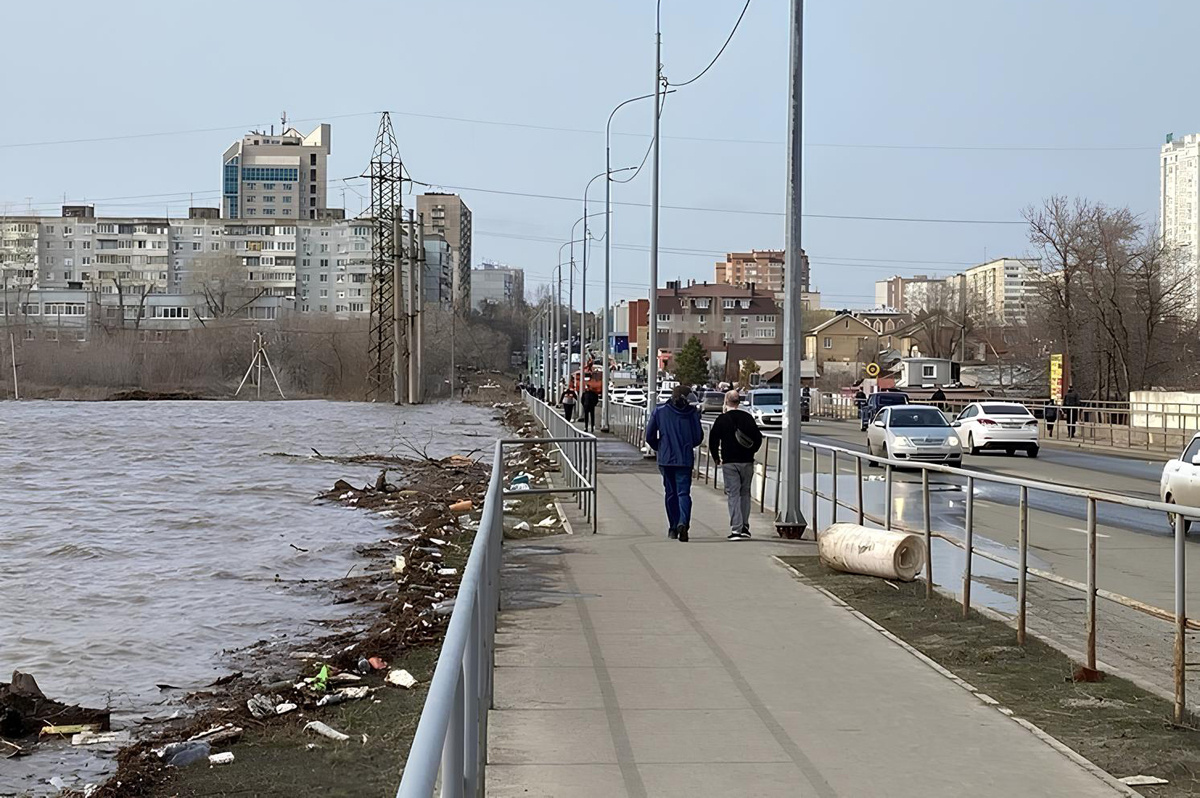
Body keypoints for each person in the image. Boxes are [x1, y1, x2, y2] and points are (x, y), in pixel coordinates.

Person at [645, 384, 704, 542]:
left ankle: (672, 527)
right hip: (684, 458)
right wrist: (686, 444)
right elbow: (698, 437)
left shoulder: (659, 411)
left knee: (670, 493)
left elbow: (649, 436)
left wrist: (660, 447)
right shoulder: (692, 413)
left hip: (666, 459)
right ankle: (683, 523)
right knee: (683, 493)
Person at [709, 389, 763, 540]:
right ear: (738, 402)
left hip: (730, 462)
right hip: (747, 461)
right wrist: (751, 452)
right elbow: (758, 438)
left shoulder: (722, 419)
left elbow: (713, 439)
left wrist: (716, 457)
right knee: (745, 494)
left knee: (733, 495)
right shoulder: (747, 418)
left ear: (726, 402)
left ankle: (736, 530)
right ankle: (745, 526)